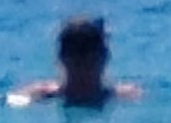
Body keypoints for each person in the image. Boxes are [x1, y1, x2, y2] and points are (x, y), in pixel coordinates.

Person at [8, 17, 142, 108]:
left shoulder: (128, 95)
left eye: (89, 61)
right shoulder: (38, 94)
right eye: (78, 61)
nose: (83, 70)